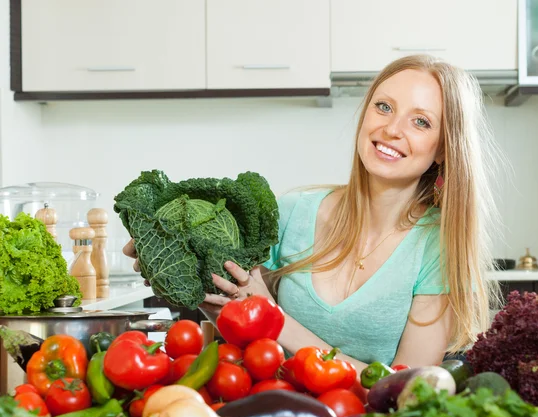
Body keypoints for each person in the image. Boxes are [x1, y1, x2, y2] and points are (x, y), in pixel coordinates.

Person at [124, 54, 501, 373]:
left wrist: (273, 317)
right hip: (267, 414)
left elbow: (407, 388)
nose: (391, 129)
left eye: (421, 122)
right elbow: (239, 323)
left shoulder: (438, 246)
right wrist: (179, 273)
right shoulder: (293, 212)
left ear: (443, 150)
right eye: (383, 107)